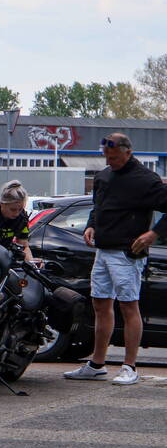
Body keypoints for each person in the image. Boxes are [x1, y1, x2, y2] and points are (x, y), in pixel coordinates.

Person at [65, 132, 167, 385]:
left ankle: (129, 366)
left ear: (127, 152)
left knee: (128, 306)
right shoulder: (103, 176)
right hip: (102, 250)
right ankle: (97, 364)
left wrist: (153, 233)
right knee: (100, 304)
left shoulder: (146, 180)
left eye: (114, 158)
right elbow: (97, 205)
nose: (110, 162)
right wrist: (91, 225)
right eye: (106, 157)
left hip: (127, 252)